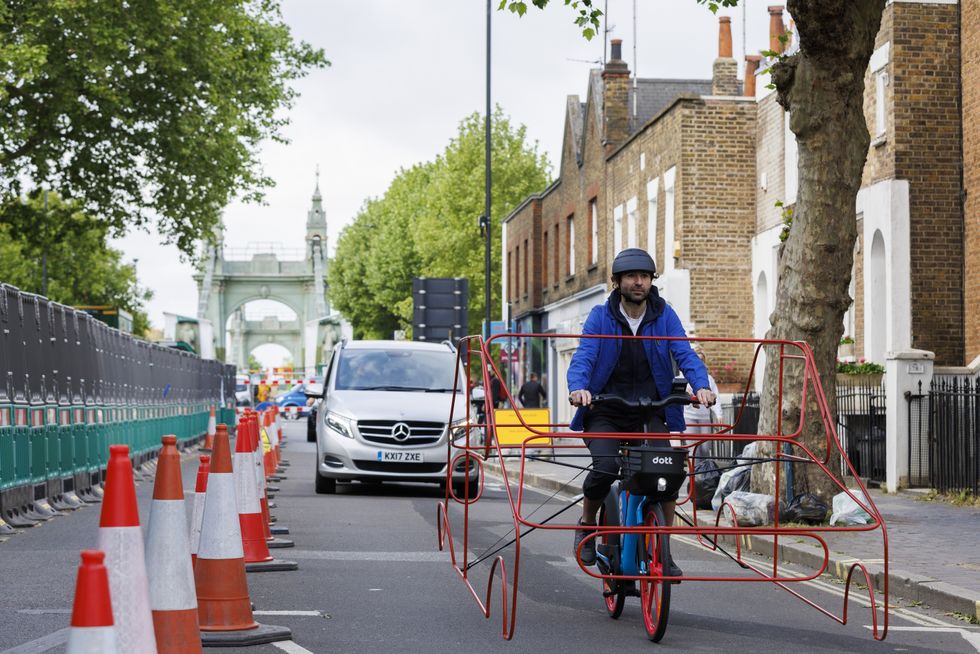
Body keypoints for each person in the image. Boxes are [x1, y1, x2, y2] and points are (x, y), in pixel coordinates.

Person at [567, 248, 716, 574]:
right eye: (632, 277)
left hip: (650, 409)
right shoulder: (600, 316)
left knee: (669, 473)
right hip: (605, 408)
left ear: (651, 281)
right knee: (606, 467)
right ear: (618, 282)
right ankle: (587, 523)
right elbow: (585, 355)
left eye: (645, 277)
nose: (639, 282)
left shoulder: (665, 315)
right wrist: (579, 388)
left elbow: (684, 352)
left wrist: (700, 385)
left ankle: (663, 547)